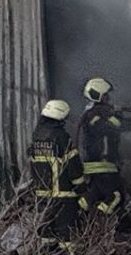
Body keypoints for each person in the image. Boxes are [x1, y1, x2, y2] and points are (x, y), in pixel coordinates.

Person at [76, 77, 131, 217]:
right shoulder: (94, 116)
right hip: (102, 165)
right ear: (98, 95)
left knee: (94, 194)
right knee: (116, 196)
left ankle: (76, 214)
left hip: (97, 165)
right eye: (106, 95)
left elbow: (116, 123)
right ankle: (98, 222)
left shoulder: (92, 113)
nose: (108, 98)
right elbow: (112, 127)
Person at [28, 99, 83, 253]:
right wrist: (82, 187)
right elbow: (74, 166)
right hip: (63, 196)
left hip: (42, 198)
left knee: (47, 236)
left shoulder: (36, 137)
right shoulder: (61, 137)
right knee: (67, 237)